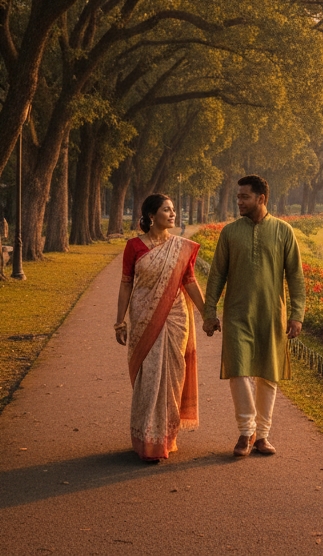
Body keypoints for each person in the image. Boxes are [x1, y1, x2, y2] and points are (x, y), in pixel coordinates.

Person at [203, 174, 305, 457]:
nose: (239, 202)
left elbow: (296, 276)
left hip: (272, 314)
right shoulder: (230, 232)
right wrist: (209, 312)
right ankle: (246, 431)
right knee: (238, 370)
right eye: (238, 197)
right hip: (237, 314)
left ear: (261, 198)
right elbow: (216, 276)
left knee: (267, 375)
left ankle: (263, 435)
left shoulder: (283, 231)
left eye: (244, 197)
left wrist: (297, 315)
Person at [115, 193, 205, 461]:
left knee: (173, 376)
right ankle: (146, 439)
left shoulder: (181, 246)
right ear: (151, 216)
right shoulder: (134, 246)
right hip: (143, 317)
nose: (173, 214)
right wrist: (119, 321)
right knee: (149, 377)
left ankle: (165, 437)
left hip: (176, 318)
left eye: (174, 209)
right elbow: (125, 284)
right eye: (167, 210)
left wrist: (207, 313)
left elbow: (189, 281)